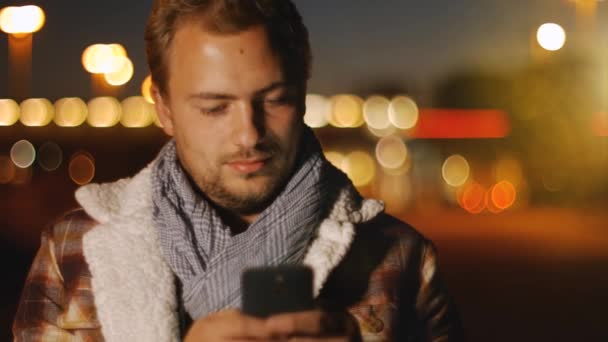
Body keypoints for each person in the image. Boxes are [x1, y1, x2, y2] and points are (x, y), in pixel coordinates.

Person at [13, 0, 464, 341]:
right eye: (214, 107)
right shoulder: (70, 250)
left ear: (303, 94)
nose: (248, 134)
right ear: (165, 110)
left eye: (274, 99)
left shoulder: (400, 256)